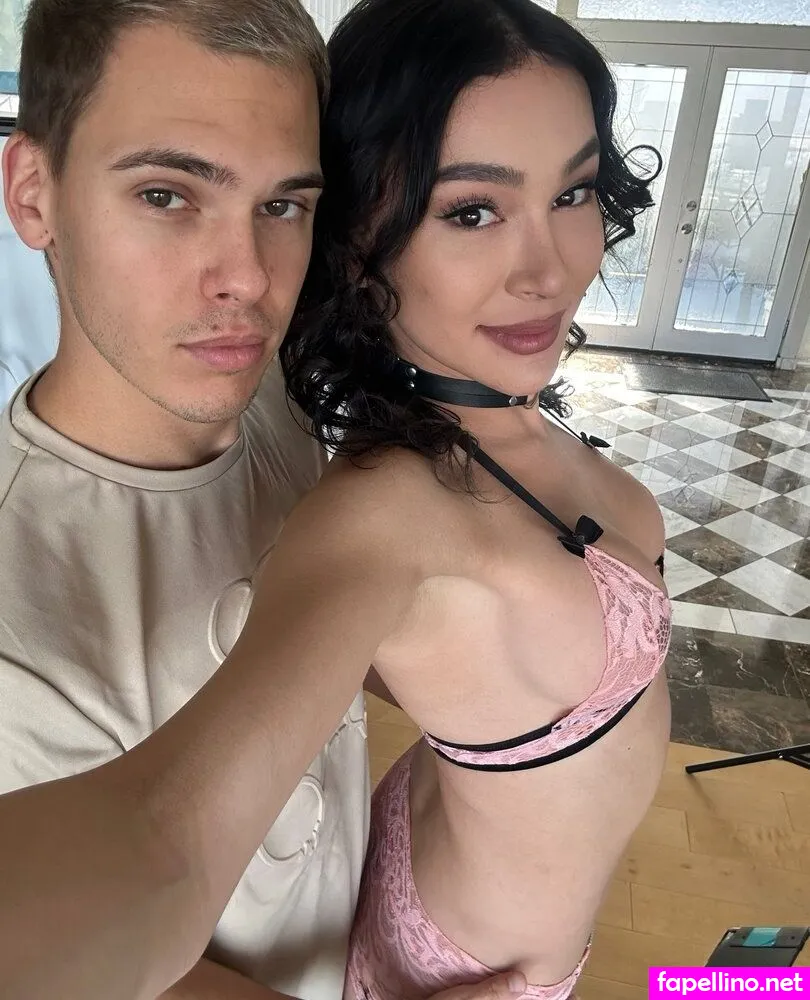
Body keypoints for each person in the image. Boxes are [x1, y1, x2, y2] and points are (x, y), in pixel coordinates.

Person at [1, 3, 528, 999]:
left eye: (283, 205)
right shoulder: (18, 621)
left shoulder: (271, 404)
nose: (247, 280)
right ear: (34, 194)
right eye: (166, 195)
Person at [226, 0, 668, 996]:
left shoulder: (502, 417)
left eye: (573, 192)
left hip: (470, 878)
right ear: (359, 238)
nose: (550, 269)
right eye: (472, 210)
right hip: (460, 970)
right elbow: (159, 843)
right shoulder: (382, 513)